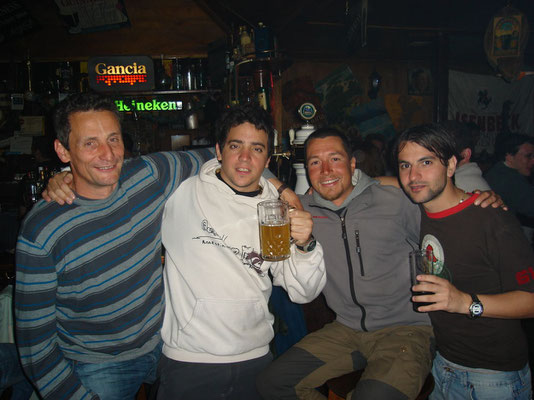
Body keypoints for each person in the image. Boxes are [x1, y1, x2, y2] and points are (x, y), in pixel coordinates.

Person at [15, 93, 215, 400]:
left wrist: (281, 188)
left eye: (113, 139)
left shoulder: (147, 176)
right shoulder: (42, 228)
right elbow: (35, 343)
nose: (108, 154)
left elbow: (229, 157)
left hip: (165, 342)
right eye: (90, 143)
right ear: (63, 150)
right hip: (98, 364)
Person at [157, 104, 326, 399]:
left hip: (256, 357)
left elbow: (303, 292)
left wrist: (305, 245)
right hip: (189, 359)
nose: (245, 158)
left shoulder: (278, 207)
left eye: (257, 149)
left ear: (267, 159)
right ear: (219, 151)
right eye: (236, 146)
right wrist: (67, 177)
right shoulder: (181, 190)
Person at [395, 123, 534, 400]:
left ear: (450, 166)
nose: (414, 176)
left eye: (426, 162)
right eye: (404, 165)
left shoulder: (491, 218)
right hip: (440, 364)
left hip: (493, 378)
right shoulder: (415, 210)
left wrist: (465, 302)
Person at [485, 133, 534, 242]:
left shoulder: (497, 171)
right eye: (528, 156)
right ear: (509, 156)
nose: (533, 161)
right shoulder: (510, 179)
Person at [440, 120, 491, 192]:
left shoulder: (455, 183)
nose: (440, 158)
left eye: (447, 152)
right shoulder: (468, 176)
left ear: (466, 155)